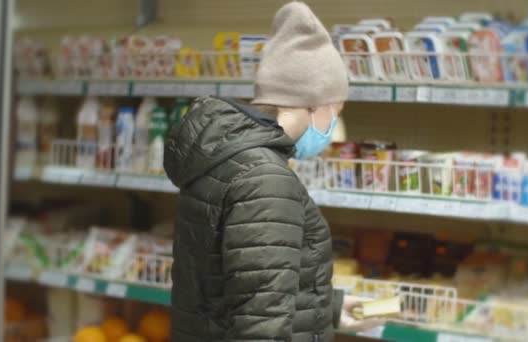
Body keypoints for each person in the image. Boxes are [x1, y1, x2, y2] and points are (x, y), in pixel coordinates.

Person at [164, 2, 384, 341]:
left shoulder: (226, 158)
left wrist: (331, 307)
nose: (334, 123)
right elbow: (260, 323)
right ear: (315, 103)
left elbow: (235, 291)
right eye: (336, 110)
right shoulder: (266, 179)